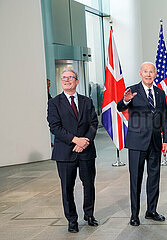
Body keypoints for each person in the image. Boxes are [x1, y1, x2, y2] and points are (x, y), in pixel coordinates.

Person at [117, 62, 167, 226]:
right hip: (137, 142)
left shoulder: (160, 93)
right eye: (145, 72)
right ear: (140, 73)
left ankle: (151, 211)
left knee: (154, 178)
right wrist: (125, 101)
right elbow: (120, 107)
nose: (148, 75)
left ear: (155, 74)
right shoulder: (132, 90)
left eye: (151, 72)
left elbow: (164, 118)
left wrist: (166, 139)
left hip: (155, 142)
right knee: (136, 179)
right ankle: (134, 215)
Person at [47, 69, 99, 233]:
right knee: (67, 187)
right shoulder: (54, 103)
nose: (67, 80)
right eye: (64, 78)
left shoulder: (87, 101)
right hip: (65, 153)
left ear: (77, 81)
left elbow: (93, 123)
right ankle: (72, 220)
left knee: (89, 184)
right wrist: (75, 140)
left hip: (86, 151)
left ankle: (89, 215)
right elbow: (55, 127)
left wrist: (85, 141)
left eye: (70, 77)